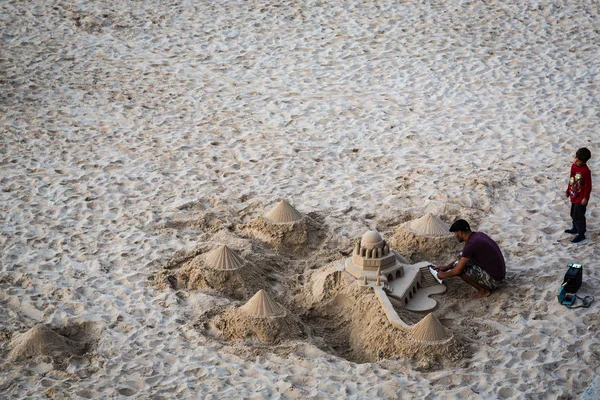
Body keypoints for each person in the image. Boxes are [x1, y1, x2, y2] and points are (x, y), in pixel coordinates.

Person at [434, 219, 506, 299]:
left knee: (460, 269)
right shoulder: (478, 235)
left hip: (494, 280)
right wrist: (446, 267)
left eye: (455, 233)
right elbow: (463, 257)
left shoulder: (471, 245)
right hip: (499, 273)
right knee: (461, 256)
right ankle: (483, 288)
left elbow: (458, 270)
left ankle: (483, 291)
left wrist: (444, 275)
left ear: (460, 232)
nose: (455, 235)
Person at [565, 147, 592, 244]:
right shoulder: (573, 166)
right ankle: (575, 228)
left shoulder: (586, 171)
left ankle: (581, 234)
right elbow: (571, 179)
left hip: (581, 197)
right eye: (576, 157)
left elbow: (588, 186)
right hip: (574, 194)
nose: (576, 160)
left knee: (579, 215)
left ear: (585, 162)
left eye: (579, 160)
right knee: (573, 213)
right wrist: (568, 190)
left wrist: (585, 197)